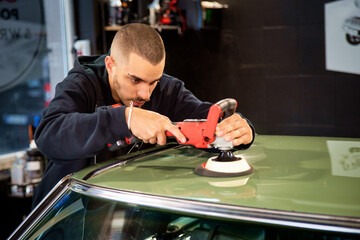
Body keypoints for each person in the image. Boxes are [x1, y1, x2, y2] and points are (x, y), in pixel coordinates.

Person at [32, 23, 255, 208]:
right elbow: (48, 134)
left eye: (153, 82)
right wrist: (125, 118)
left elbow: (206, 121)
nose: (145, 94)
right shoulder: (81, 85)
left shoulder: (167, 90)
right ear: (110, 65)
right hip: (63, 215)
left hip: (127, 213)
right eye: (135, 80)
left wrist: (235, 130)